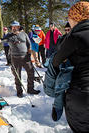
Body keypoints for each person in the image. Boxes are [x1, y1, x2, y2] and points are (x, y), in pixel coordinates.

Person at [52, 1, 89, 132]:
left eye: (70, 18)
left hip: (81, 93)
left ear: (76, 18)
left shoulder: (74, 36)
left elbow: (56, 61)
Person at [0, 21, 41, 98]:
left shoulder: (24, 34)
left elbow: (29, 44)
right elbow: (2, 39)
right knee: (17, 75)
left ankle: (30, 89)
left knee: (31, 72)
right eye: (12, 27)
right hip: (15, 58)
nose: (14, 28)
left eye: (15, 26)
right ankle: (19, 91)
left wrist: (29, 53)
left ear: (18, 27)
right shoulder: (9, 36)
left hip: (25, 57)